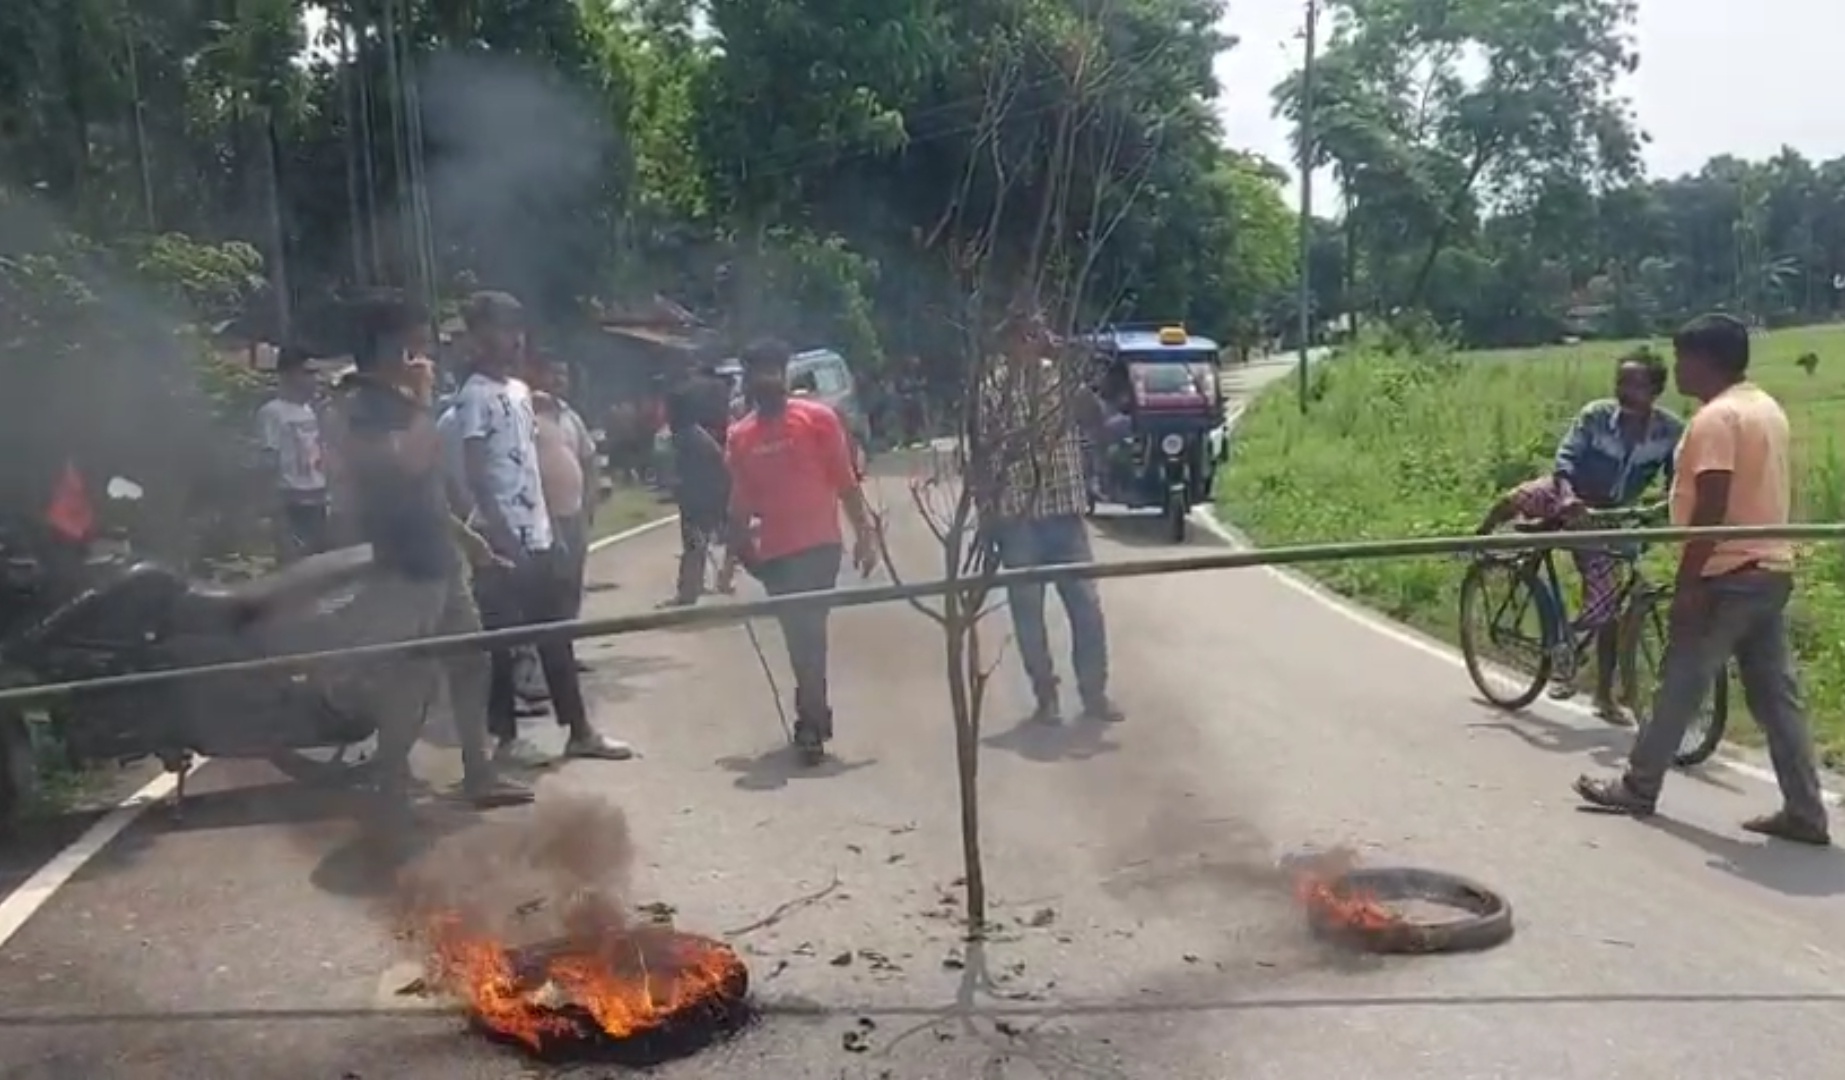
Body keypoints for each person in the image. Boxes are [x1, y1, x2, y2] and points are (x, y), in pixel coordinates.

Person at [1573, 314, 1829, 846]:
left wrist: (1690, 584)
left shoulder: (1717, 419)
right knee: (1776, 697)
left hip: (1728, 574)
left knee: (1682, 681)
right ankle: (1805, 810)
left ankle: (1638, 786)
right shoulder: (1764, 408)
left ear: (1706, 360)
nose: (1678, 370)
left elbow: (1712, 504)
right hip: (1770, 569)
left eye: (1683, 358)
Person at [320, 296, 531, 814]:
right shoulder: (360, 405)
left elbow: (427, 491)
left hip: (439, 557)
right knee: (408, 678)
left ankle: (477, 771)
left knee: (469, 661)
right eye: (416, 343)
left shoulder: (392, 400)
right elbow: (407, 466)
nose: (427, 353)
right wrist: (422, 400)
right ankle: (391, 780)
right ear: (390, 347)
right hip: (402, 565)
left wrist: (468, 541)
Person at [453, 291, 631, 767]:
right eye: (499, 329)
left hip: (540, 533)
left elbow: (527, 466)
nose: (510, 339)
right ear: (475, 337)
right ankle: (505, 740)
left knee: (556, 634)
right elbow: (476, 472)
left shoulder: (518, 393)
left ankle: (579, 730)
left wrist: (546, 524)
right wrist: (500, 531)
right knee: (502, 644)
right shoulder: (472, 396)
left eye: (515, 329)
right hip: (501, 540)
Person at [1474, 348, 1684, 722]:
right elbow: (1565, 462)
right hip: (1568, 493)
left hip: (1611, 515)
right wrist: (1569, 499)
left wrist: (1666, 508)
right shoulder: (1596, 416)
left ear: (1655, 390)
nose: (1625, 390)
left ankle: (1601, 692)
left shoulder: (1670, 431)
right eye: (1622, 381)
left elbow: (1675, 481)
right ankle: (1478, 544)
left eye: (1636, 384)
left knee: (1608, 606)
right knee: (1516, 499)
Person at [725, 337, 880, 761]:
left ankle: (810, 722)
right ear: (749, 382)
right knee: (801, 638)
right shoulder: (740, 436)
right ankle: (814, 713)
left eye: (772, 372)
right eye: (757, 375)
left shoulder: (819, 419)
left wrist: (864, 535)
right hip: (773, 555)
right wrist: (734, 555)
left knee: (807, 633)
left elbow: (845, 482)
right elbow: (739, 502)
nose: (766, 381)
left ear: (785, 374)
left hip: (819, 547)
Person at [976, 308, 1122, 725]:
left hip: (1064, 510)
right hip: (1018, 516)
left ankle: (1094, 693)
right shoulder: (993, 391)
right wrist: (989, 520)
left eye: (1039, 334)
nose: (1034, 342)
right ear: (1009, 341)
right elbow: (983, 458)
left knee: (1086, 607)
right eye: (1025, 335)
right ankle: (1046, 697)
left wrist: (1067, 367)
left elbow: (1097, 419)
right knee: (1028, 612)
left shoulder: (1060, 379)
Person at [527, 353, 600, 620]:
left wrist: (589, 503)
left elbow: (588, 458)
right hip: (545, 518)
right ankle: (554, 655)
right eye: (552, 373)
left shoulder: (570, 416)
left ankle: (567, 651)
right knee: (550, 588)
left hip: (574, 515)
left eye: (564, 375)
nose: (559, 380)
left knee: (572, 585)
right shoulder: (527, 415)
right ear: (536, 375)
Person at [661, 371, 735, 608]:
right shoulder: (690, 434)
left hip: (700, 494)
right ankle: (695, 586)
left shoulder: (688, 435)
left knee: (695, 542)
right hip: (701, 492)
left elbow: (717, 459)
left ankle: (689, 592)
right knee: (700, 542)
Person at [257, 347, 331, 563]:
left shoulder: (309, 410)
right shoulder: (272, 412)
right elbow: (268, 460)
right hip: (291, 500)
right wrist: (275, 512)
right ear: (288, 374)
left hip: (316, 496)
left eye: (314, 373)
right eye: (306, 372)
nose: (313, 379)